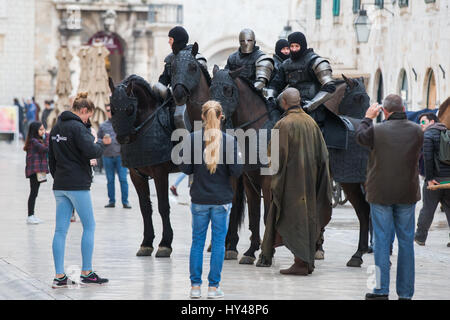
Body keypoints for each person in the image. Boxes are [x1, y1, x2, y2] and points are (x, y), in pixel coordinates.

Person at [256, 88, 332, 275]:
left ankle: (301, 263)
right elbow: (324, 156)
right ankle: (305, 261)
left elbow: (273, 159)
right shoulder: (312, 123)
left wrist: (271, 184)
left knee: (291, 219)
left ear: (283, 103)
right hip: (311, 182)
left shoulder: (282, 124)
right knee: (307, 219)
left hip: (289, 185)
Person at [356, 94, 423, 300]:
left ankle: (380, 290)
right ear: (403, 108)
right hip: (407, 192)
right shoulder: (417, 131)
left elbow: (359, 137)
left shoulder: (376, 130)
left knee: (381, 243)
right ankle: (405, 294)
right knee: (406, 243)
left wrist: (368, 117)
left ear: (384, 112)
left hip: (381, 193)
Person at [179, 100, 243, 299]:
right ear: (221, 116)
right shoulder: (230, 141)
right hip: (221, 200)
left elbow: (186, 169)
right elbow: (236, 171)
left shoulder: (191, 139)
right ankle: (213, 288)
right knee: (217, 244)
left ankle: (195, 287)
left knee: (197, 242)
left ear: (202, 117)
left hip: (199, 198)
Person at [48, 92, 112, 288]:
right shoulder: (77, 128)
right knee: (89, 226)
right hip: (78, 185)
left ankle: (59, 276)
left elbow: (51, 159)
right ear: (83, 111)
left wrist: (58, 177)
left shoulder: (56, 127)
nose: (88, 120)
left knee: (60, 230)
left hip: (60, 185)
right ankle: (87, 271)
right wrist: (102, 143)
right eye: (89, 116)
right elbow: (93, 151)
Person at [415, 112, 450, 246]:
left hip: (435, 180)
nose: (421, 125)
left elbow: (428, 159)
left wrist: (429, 178)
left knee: (428, 209)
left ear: (431, 122)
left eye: (423, 122)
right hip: (448, 180)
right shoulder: (447, 132)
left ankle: (420, 237)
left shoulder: (428, 135)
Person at [97, 105, 131, 209]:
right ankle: (111, 201)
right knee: (110, 180)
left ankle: (125, 201)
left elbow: (128, 138)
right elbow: (97, 139)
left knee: (123, 179)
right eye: (107, 110)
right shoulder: (102, 126)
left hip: (121, 156)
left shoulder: (122, 124)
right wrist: (102, 141)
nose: (110, 112)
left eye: (111, 110)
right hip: (107, 156)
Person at [24, 121, 49, 224]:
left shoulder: (37, 140)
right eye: (41, 129)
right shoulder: (33, 141)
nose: (43, 131)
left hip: (38, 170)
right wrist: (47, 136)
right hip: (34, 171)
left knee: (35, 193)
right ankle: (30, 216)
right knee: (33, 193)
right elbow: (45, 149)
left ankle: (32, 215)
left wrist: (45, 135)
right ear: (35, 130)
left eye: (43, 129)